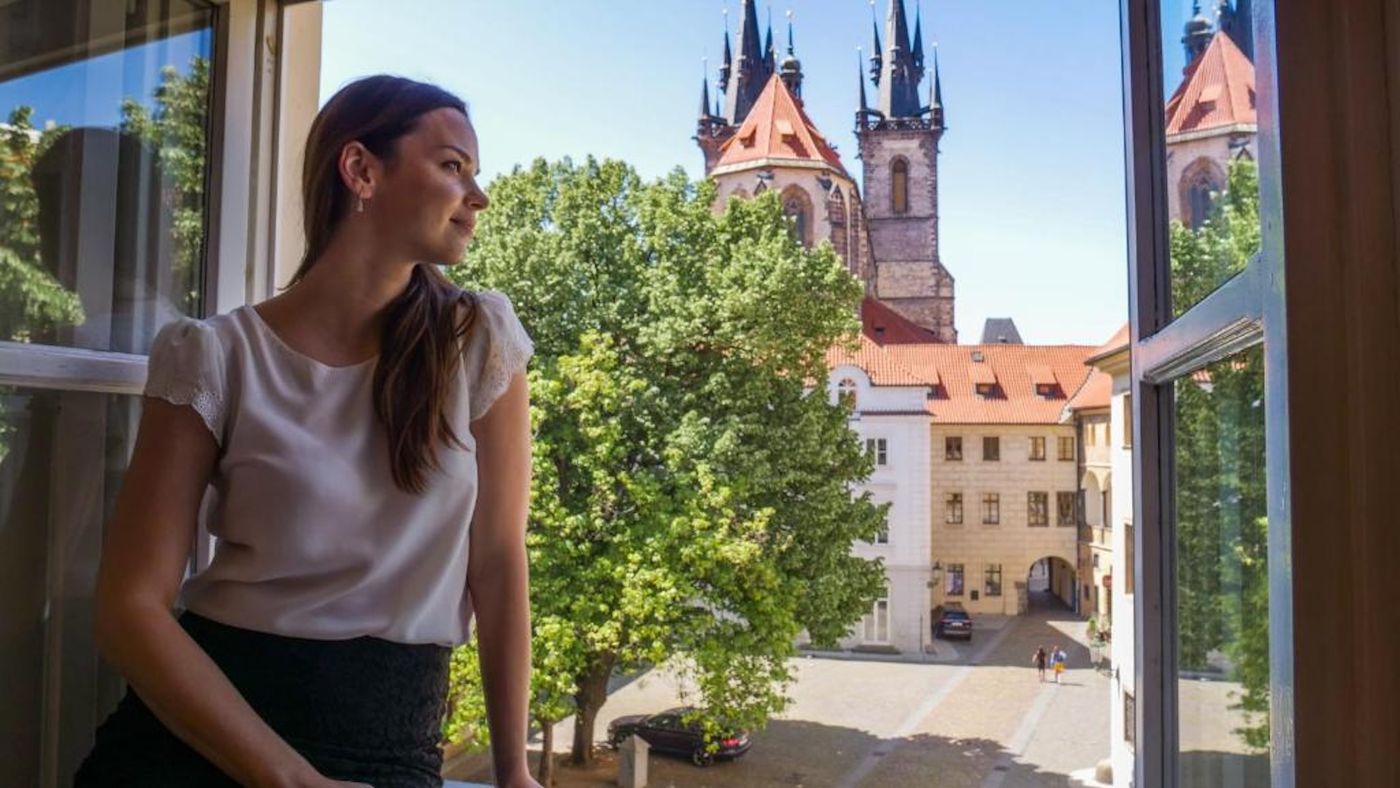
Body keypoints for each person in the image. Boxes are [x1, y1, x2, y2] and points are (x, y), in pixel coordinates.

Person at [74, 75, 542, 788]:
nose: (476, 196)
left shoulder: (478, 343)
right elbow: (127, 607)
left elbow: (500, 561)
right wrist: (288, 779)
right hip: (197, 742)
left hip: (390, 744)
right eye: (453, 166)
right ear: (361, 170)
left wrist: (516, 772)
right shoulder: (214, 357)